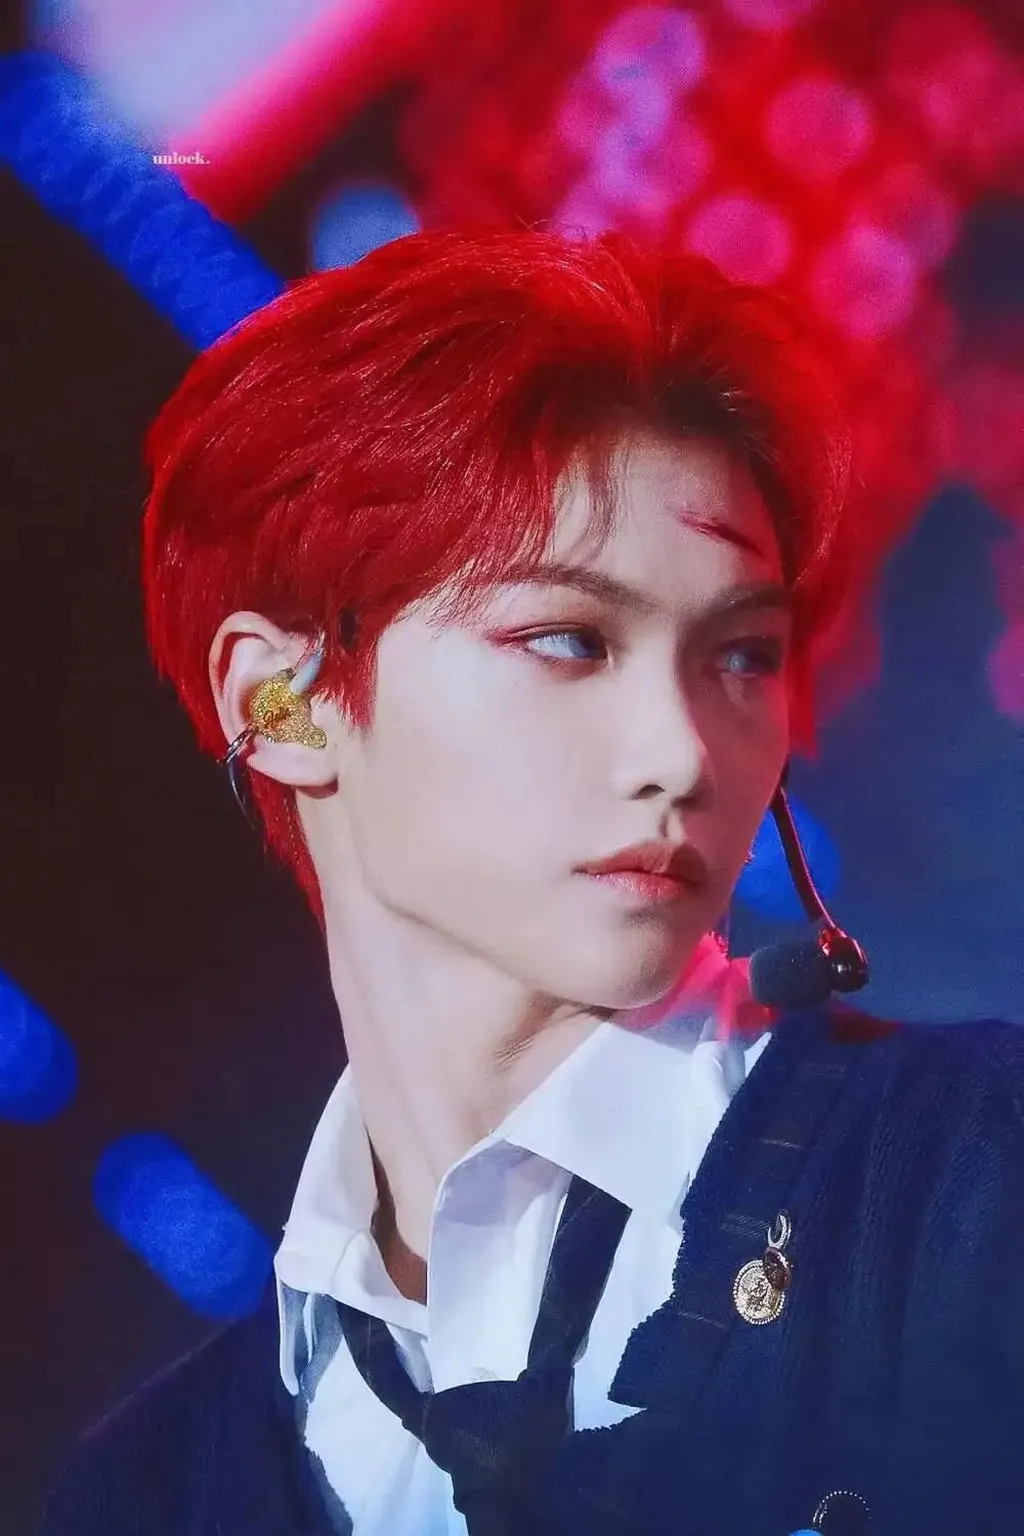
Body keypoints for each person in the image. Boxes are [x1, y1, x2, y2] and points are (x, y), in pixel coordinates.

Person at [39, 228, 1024, 1536]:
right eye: (568, 640)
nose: (683, 751)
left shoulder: (982, 1175)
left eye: (741, 654)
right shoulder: (144, 1496)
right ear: (283, 704)